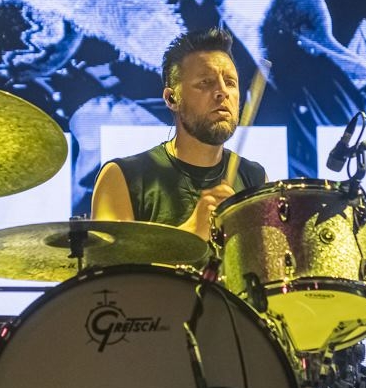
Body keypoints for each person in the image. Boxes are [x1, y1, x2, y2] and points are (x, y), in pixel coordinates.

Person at [90, 27, 266, 239]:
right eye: (205, 82)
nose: (222, 92)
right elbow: (112, 261)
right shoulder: (122, 178)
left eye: (230, 83)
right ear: (172, 98)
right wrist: (192, 232)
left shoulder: (255, 179)